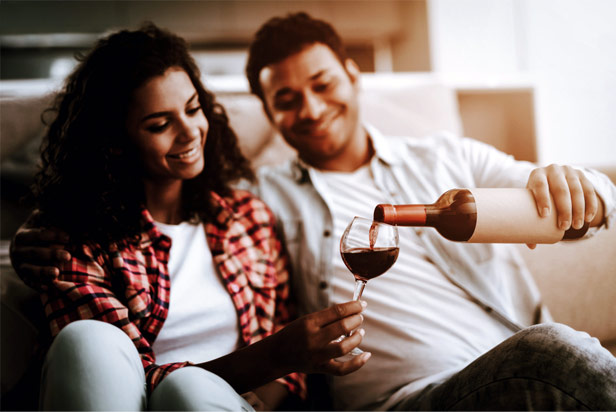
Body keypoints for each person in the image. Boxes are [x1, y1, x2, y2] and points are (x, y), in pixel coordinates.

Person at [11, 12, 616, 410]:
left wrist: (579, 183)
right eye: (287, 99)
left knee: (554, 350)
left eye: (324, 84)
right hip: (399, 402)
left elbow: (582, 206)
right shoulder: (264, 199)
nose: (312, 108)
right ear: (270, 114)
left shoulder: (446, 158)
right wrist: (25, 239)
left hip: (499, 368)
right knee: (556, 350)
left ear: (355, 76)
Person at [11, 22, 371, 411]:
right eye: (160, 125)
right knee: (87, 341)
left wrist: (261, 389)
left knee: (190, 392)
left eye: (193, 108)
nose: (189, 133)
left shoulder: (247, 219)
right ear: (113, 143)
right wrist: (270, 357)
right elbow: (120, 380)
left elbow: (288, 372)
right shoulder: (67, 243)